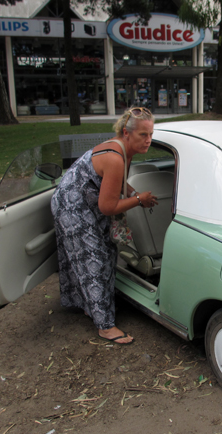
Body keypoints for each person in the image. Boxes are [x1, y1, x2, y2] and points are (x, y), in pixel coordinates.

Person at [51, 107, 158, 344]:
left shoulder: (124, 150)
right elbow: (108, 207)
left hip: (87, 201)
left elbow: (117, 184)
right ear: (125, 133)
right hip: (73, 206)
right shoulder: (115, 157)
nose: (148, 140)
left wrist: (134, 193)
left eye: (150, 134)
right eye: (143, 135)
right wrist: (139, 200)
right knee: (94, 258)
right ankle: (105, 325)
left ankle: (92, 305)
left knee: (108, 252)